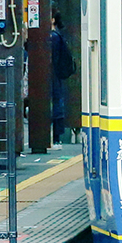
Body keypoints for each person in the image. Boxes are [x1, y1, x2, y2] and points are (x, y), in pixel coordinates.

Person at [49, 13, 73, 144]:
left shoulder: (52, 37)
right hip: (57, 76)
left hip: (53, 75)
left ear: (53, 19)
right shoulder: (57, 36)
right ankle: (57, 137)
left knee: (56, 103)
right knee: (58, 102)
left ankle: (56, 136)